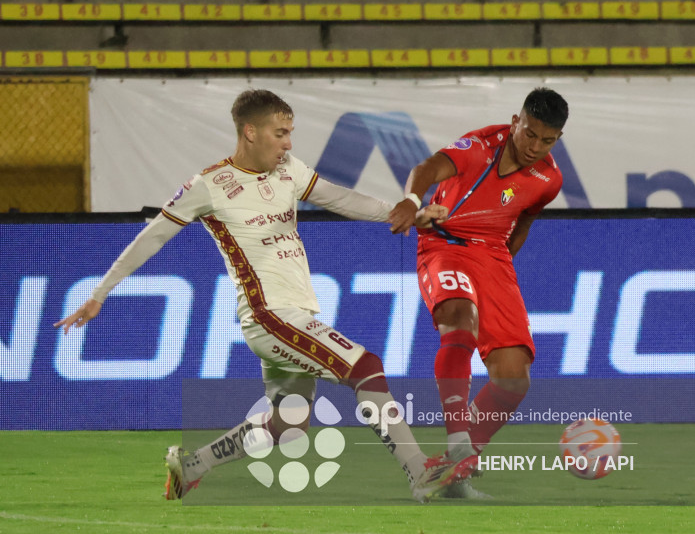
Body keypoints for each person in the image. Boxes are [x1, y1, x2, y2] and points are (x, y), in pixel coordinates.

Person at [54, 89, 474, 503]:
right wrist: (100, 294)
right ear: (250, 132)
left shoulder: (289, 169)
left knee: (287, 425)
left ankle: (193, 465)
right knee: (366, 367)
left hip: (294, 312)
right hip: (268, 314)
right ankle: (419, 471)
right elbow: (153, 236)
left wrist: (404, 213)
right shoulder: (209, 185)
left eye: (290, 133)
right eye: (280, 133)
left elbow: (339, 198)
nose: (288, 143)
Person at [388, 87, 569, 494]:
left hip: (493, 258)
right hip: (445, 242)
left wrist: (497, 275)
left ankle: (455, 474)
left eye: (547, 141)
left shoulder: (549, 179)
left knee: (513, 378)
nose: (535, 147)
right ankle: (458, 445)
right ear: (515, 122)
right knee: (460, 325)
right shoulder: (480, 147)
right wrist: (412, 201)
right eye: (530, 134)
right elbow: (427, 168)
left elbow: (523, 222)